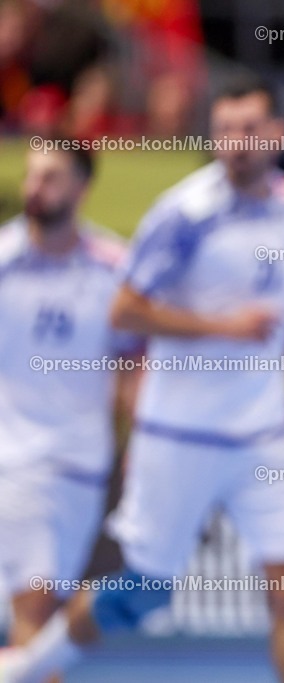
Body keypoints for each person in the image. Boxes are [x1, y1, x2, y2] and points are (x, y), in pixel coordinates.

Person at [1, 78, 284, 683]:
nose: (235, 143)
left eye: (250, 129)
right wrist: (224, 328)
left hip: (263, 433)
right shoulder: (184, 215)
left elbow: (273, 310)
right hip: (179, 435)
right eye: (225, 129)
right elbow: (124, 311)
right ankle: (27, 667)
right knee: (142, 595)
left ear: (280, 133)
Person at [0, 142, 132, 683]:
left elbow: (138, 361)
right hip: (8, 459)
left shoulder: (115, 268)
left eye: (51, 177)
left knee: (35, 609)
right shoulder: (2, 259)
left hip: (70, 463)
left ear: (81, 187)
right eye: (32, 176)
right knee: (31, 615)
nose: (36, 187)